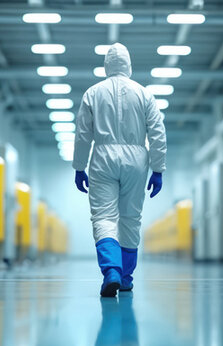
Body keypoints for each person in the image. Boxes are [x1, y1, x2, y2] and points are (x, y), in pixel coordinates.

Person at [72, 43, 167, 297]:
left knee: (104, 217)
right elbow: (157, 133)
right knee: (130, 218)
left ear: (106, 66)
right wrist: (158, 169)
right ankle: (125, 276)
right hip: (137, 159)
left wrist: (79, 167)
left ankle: (111, 271)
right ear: (129, 65)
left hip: (102, 157)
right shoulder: (144, 94)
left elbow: (82, 134)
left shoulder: (92, 93)